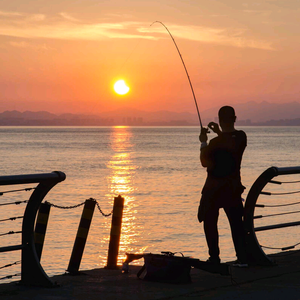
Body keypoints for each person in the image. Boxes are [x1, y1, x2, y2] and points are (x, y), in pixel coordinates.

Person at [198, 106, 248, 267]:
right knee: (236, 224)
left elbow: (204, 162)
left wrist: (203, 142)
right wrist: (219, 132)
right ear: (235, 118)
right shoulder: (241, 137)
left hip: (212, 189)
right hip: (232, 188)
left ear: (219, 120)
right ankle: (242, 258)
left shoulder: (213, 143)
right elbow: (230, 144)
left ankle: (214, 258)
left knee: (210, 223)